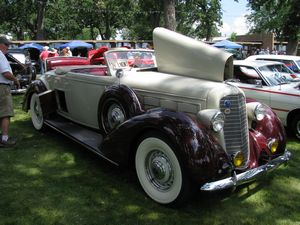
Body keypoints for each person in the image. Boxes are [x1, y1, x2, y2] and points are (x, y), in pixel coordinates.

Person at [0, 36, 20, 147]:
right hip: (2, 87)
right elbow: (5, 73)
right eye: (7, 45)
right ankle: (5, 139)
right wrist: (15, 79)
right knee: (5, 114)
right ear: (1, 44)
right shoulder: (0, 55)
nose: (8, 47)